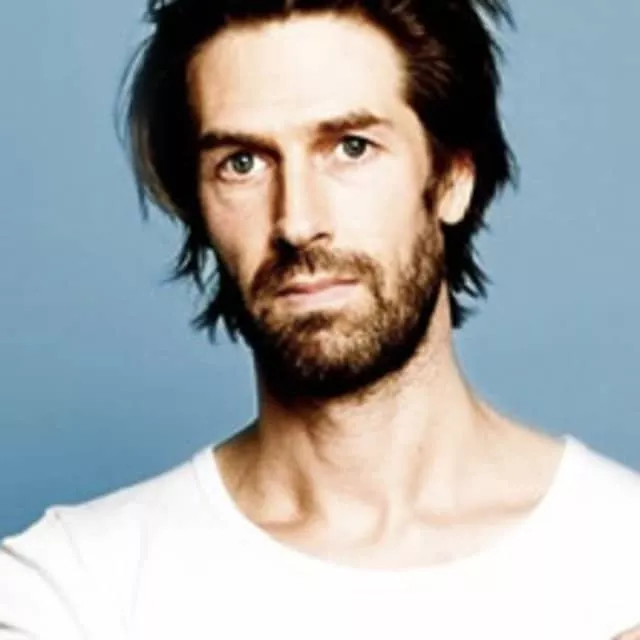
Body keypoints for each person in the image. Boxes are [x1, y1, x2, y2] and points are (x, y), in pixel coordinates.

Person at [1, 0, 638, 638]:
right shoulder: (68, 588)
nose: (297, 222)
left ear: (452, 178)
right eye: (243, 163)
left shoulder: (623, 556)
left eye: (351, 148)